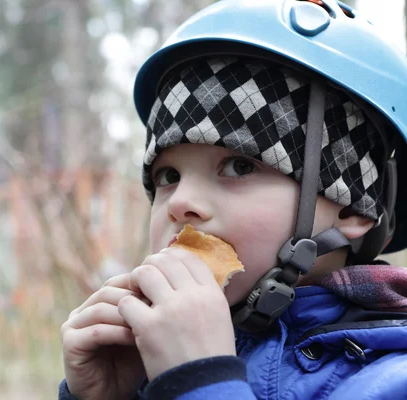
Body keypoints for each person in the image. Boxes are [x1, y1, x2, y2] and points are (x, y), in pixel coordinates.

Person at [59, 0, 407, 398]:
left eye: (239, 167)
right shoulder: (149, 367)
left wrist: (200, 380)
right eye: (168, 177)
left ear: (352, 205)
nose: (179, 202)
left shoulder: (390, 381)